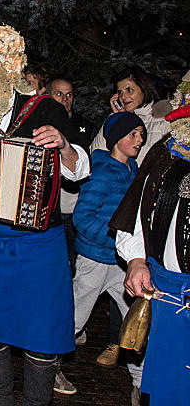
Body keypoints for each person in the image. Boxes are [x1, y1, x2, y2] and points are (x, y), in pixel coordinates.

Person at [0, 25, 90, 406]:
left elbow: (80, 170)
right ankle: (0, 400)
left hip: (40, 245)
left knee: (42, 336)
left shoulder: (46, 108)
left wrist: (64, 145)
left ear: (11, 69)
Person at [109, 70, 190, 406]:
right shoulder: (167, 150)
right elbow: (138, 209)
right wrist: (137, 260)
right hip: (168, 294)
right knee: (168, 392)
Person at [89, 67, 171, 368]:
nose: (124, 96)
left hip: (153, 207)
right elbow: (98, 154)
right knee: (124, 280)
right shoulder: (118, 119)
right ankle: (117, 341)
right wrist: (113, 121)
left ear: (144, 89)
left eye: (129, 89)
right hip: (122, 207)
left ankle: (145, 351)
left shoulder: (163, 120)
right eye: (120, 90)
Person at [71, 112, 146, 393]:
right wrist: (118, 241)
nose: (139, 140)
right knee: (73, 320)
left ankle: (141, 383)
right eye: (132, 134)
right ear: (116, 139)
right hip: (95, 260)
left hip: (122, 264)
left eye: (141, 134)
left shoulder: (133, 170)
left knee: (135, 323)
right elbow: (82, 218)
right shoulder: (102, 172)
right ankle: (46, 367)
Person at [47, 78, 98, 275]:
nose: (65, 99)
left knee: (72, 263)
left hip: (73, 208)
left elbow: (90, 166)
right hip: (47, 210)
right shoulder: (39, 125)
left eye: (69, 94)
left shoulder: (84, 127)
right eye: (59, 94)